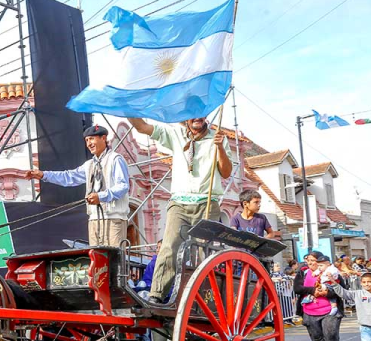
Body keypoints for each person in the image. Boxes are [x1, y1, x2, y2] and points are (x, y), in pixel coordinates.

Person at [127, 116, 232, 303]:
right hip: (179, 202)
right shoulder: (175, 134)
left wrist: (220, 148)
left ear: (206, 116)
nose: (197, 117)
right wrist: (127, 109)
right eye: (192, 113)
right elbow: (142, 127)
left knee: (203, 251)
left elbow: (226, 172)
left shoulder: (217, 137)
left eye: (201, 113)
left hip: (206, 202)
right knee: (169, 247)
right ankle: (157, 295)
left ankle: (204, 298)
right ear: (186, 117)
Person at [27, 125, 130, 247]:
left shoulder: (115, 159)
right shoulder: (89, 164)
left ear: (103, 138)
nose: (89, 143)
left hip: (114, 218)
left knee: (115, 259)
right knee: (98, 259)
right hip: (94, 219)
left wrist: (101, 196)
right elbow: (69, 177)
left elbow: (123, 186)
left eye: (91, 139)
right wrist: (44, 175)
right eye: (86, 140)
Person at [294, 251, 345, 341]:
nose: (310, 262)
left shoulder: (331, 272)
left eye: (313, 260)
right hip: (309, 310)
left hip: (329, 311)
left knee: (330, 336)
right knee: (317, 338)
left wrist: (327, 293)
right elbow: (297, 289)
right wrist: (313, 290)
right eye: (308, 260)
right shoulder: (303, 272)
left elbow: (342, 289)